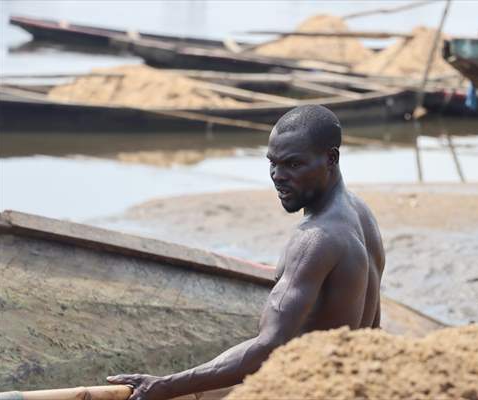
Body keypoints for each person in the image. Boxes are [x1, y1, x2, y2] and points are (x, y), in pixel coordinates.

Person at [107, 105, 385, 400]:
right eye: (272, 163)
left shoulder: (315, 240)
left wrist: (166, 385)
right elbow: (372, 330)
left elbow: (268, 347)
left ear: (331, 158)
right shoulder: (362, 215)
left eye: (293, 164)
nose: (277, 176)